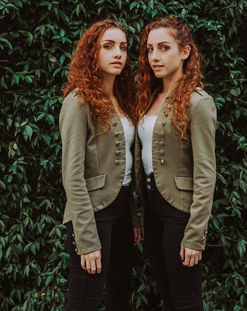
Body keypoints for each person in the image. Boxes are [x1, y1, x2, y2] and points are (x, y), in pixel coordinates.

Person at [59, 19, 142, 311]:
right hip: (91, 213)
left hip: (120, 212)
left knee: (120, 293)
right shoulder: (78, 101)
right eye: (108, 46)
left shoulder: (122, 99)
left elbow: (125, 167)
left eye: (122, 47)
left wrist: (131, 217)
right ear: (91, 52)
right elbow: (72, 175)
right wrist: (86, 239)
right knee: (84, 299)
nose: (118, 53)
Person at [135, 18, 217, 310]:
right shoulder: (151, 98)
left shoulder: (198, 102)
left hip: (180, 213)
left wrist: (196, 235)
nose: (154, 57)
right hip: (153, 211)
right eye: (150, 50)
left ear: (184, 52)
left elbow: (206, 174)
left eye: (164, 48)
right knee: (168, 297)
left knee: (185, 301)